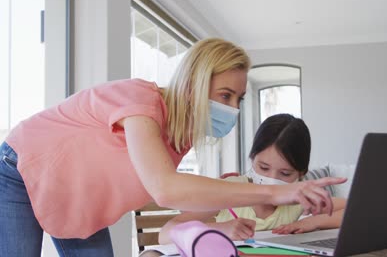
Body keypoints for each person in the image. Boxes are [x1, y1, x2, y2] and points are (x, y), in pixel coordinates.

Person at [0, 38, 346, 256]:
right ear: (194, 83)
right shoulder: (139, 102)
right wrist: (271, 194)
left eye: (239, 99)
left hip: (76, 200)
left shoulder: (177, 139)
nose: (234, 109)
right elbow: (166, 189)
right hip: (19, 170)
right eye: (225, 95)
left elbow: (184, 194)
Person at [158, 114, 346, 244]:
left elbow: (353, 210)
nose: (271, 179)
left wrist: (311, 222)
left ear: (301, 174)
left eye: (285, 174)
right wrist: (220, 229)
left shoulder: (296, 197)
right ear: (252, 158)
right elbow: (166, 233)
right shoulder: (230, 190)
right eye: (263, 167)